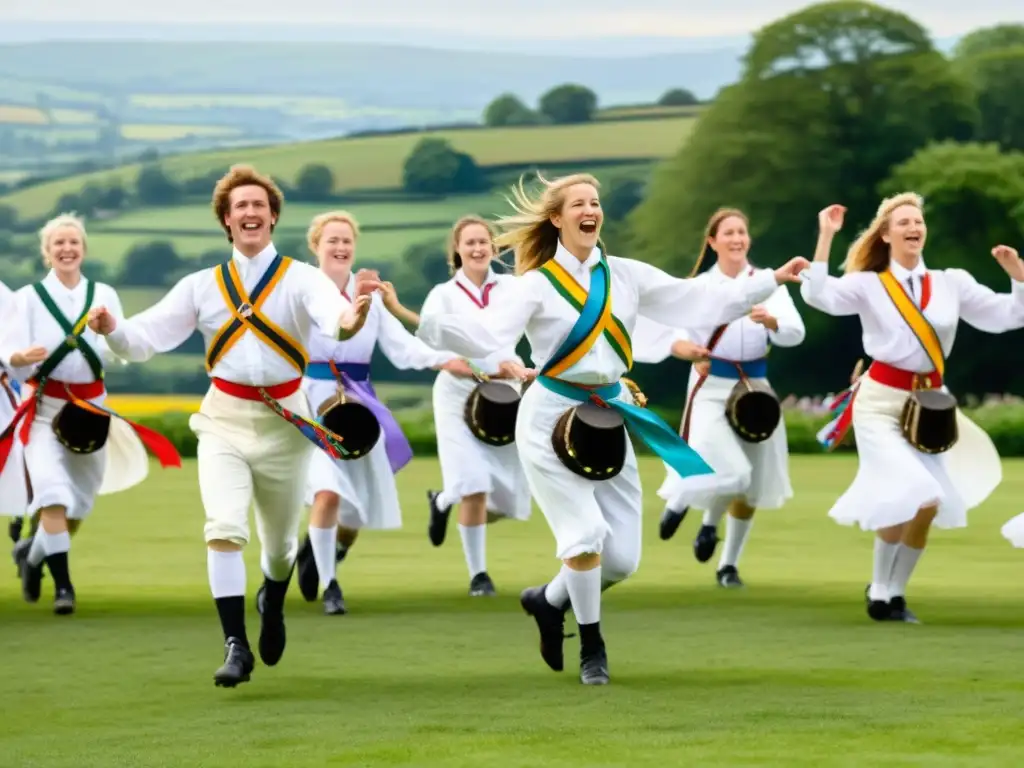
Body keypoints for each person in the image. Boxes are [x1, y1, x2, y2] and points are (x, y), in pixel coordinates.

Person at [404, 172, 809, 684]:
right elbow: (487, 335)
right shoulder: (534, 284)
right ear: (557, 219)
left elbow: (698, 301)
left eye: (595, 202)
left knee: (621, 560)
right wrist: (430, 323)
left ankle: (548, 602)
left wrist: (770, 279)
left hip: (611, 413)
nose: (590, 210)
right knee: (585, 536)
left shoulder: (626, 275)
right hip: (549, 417)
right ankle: (592, 648)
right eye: (578, 203)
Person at [86, 165, 376, 687]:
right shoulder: (201, 286)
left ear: (272, 217)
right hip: (222, 420)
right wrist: (112, 330)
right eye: (239, 206)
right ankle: (235, 645)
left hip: (287, 425)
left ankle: (273, 600)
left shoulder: (301, 278)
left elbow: (334, 314)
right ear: (226, 219)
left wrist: (352, 318)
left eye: (258, 206)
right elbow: (144, 338)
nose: (249, 213)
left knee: (281, 548)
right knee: (223, 528)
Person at [800, 193, 1024, 623]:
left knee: (926, 504)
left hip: (931, 409)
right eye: (902, 222)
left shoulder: (951, 282)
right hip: (879, 404)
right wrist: (826, 236)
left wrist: (1016, 274)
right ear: (886, 234)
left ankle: (893, 595)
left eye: (917, 221)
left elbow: (1008, 316)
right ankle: (880, 590)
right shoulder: (869, 283)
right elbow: (819, 296)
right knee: (916, 492)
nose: (913, 228)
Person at [0, 213, 181, 615]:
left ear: (83, 250)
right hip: (44, 410)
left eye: (73, 242)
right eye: (58, 243)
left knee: (78, 506)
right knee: (53, 495)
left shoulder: (104, 294)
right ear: (47, 253)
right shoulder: (27, 299)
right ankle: (64, 587)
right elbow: (8, 351)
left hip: (92, 412)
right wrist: (17, 358)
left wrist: (109, 330)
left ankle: (31, 557)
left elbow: (121, 347)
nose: (66, 249)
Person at [294, 211, 460, 614]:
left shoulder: (370, 296)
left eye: (346, 240)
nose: (340, 247)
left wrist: (446, 360)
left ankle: (326, 553)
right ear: (315, 246)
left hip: (358, 402)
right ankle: (331, 586)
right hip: (312, 400)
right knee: (328, 490)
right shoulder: (300, 291)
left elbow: (402, 347)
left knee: (357, 511)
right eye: (332, 240)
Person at [633, 208, 806, 588]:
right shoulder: (699, 287)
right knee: (732, 470)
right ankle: (683, 501)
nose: (737, 239)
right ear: (712, 242)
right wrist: (690, 351)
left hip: (756, 391)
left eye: (742, 232)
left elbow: (795, 333)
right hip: (712, 387)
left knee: (752, 483)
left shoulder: (768, 284)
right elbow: (672, 335)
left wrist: (773, 322)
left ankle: (726, 562)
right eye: (728, 233)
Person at [404, 215, 534, 597]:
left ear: (494, 248)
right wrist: (463, 365)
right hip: (458, 396)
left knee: (508, 501)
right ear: (457, 251)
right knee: (474, 484)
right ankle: (479, 575)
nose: (477, 249)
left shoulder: (514, 288)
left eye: (483, 242)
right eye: (469, 243)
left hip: (505, 396)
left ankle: (443, 500)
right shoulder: (442, 295)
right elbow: (426, 347)